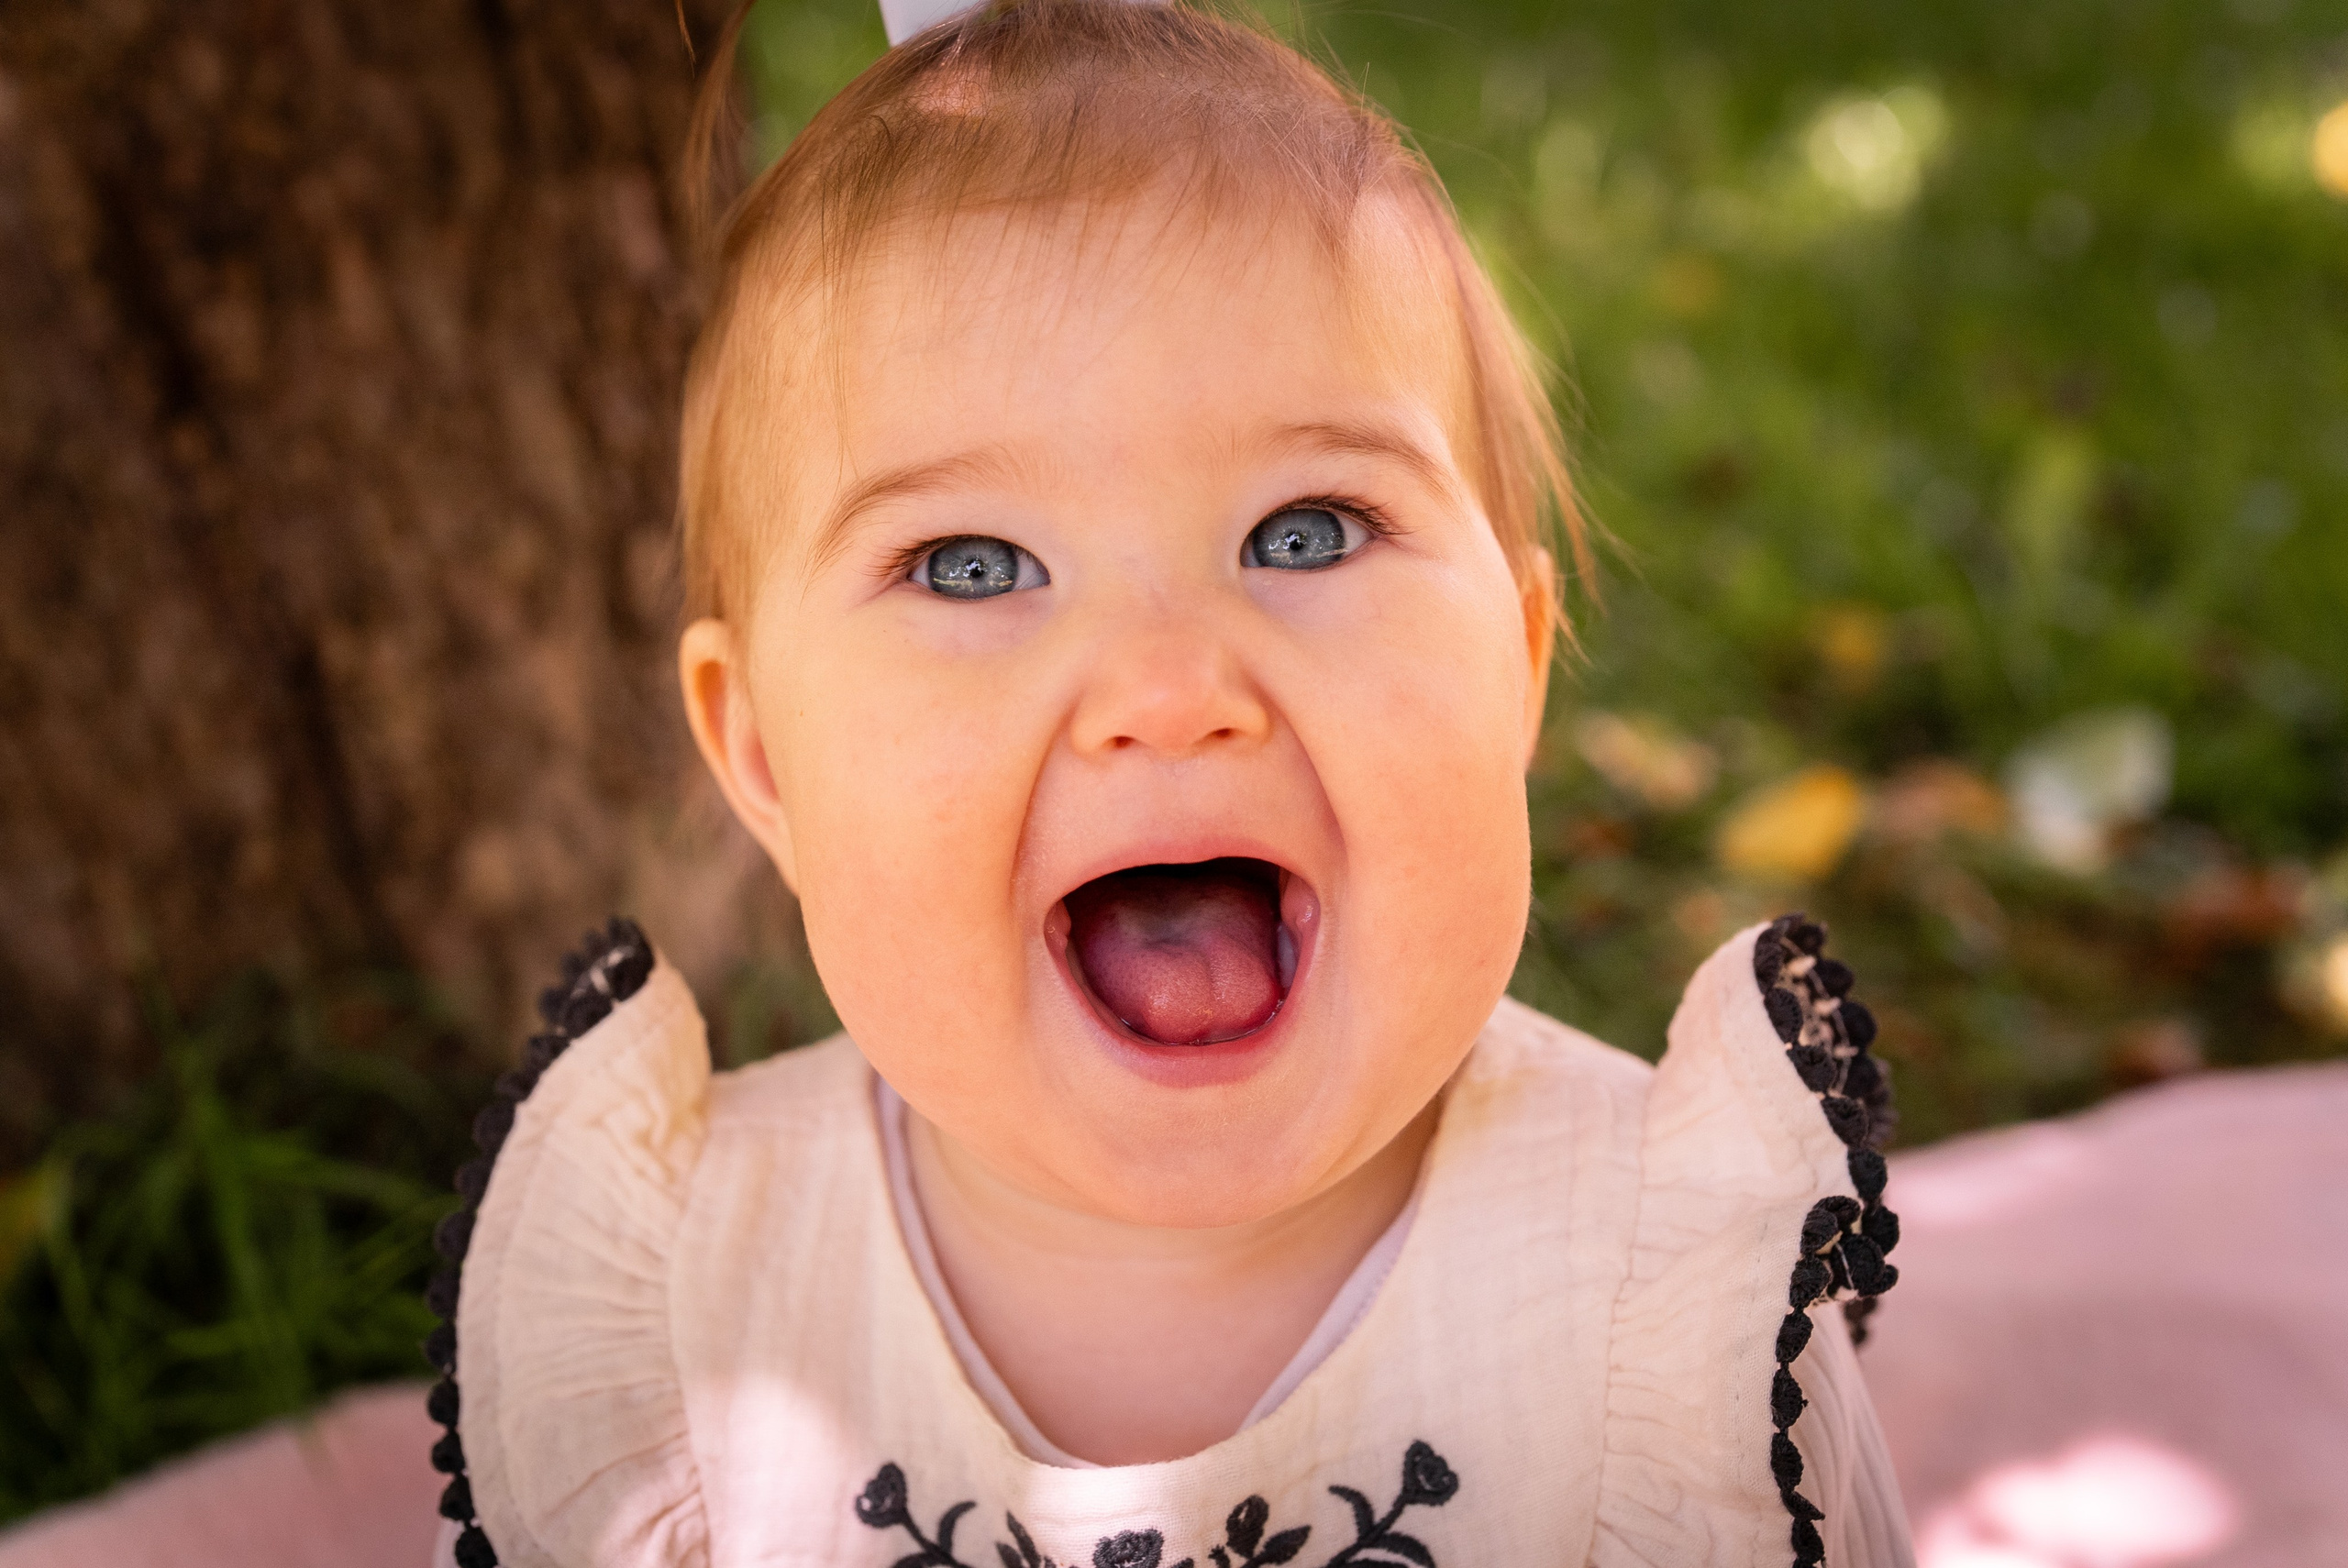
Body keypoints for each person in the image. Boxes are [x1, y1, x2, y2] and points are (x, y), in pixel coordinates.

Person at [421, 3, 1915, 1564]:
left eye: (1306, 532)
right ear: (765, 758)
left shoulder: (1674, 1307)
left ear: (1519, 667)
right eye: (974, 564)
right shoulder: (687, 1307)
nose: (1168, 692)